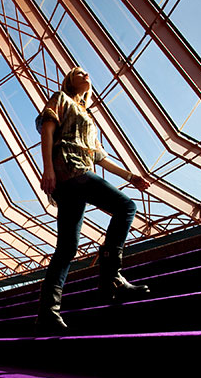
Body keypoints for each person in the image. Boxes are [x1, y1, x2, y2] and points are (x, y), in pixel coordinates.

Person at [35, 67, 152, 334]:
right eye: (79, 72)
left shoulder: (87, 116)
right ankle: (112, 277)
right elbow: (48, 132)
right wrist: (48, 169)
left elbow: (99, 156)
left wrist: (131, 176)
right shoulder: (60, 99)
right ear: (68, 80)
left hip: (76, 174)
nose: (86, 75)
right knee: (126, 206)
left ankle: (47, 314)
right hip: (71, 169)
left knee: (67, 248)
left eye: (88, 73)